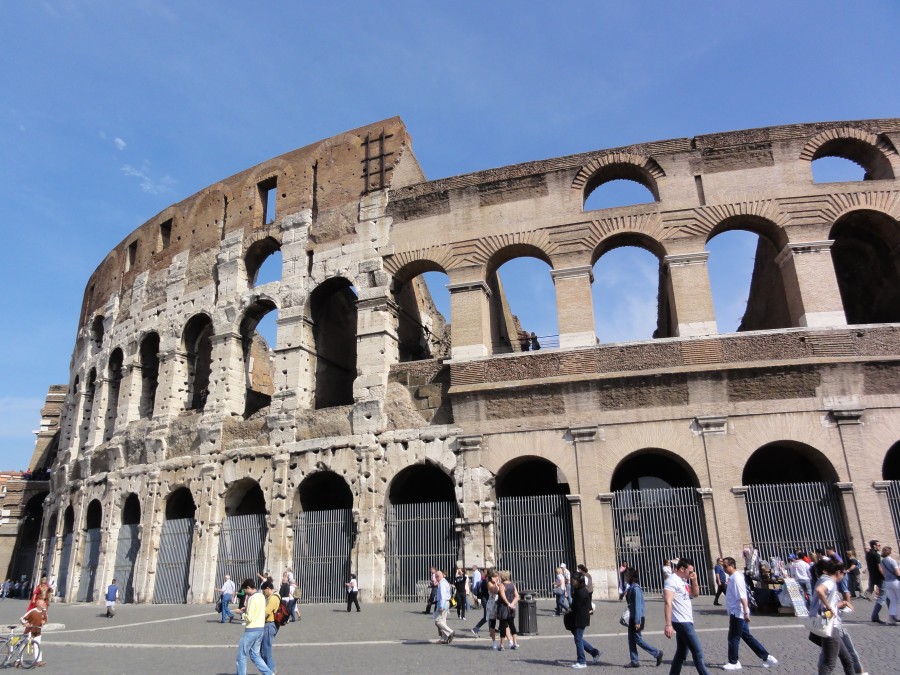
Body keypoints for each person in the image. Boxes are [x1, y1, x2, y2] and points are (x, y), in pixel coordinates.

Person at [720, 557, 777, 670]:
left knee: (733, 638)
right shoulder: (733, 578)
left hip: (738, 612)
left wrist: (746, 611)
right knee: (746, 636)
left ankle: (734, 661)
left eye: (725, 566)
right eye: (723, 566)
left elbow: (742, 596)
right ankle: (767, 657)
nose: (724, 568)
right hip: (736, 611)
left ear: (732, 565)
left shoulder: (736, 578)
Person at [663, 558, 709, 675]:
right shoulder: (672, 580)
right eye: (690, 571)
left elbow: (695, 594)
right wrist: (668, 624)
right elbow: (668, 602)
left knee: (681, 653)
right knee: (698, 653)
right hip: (681, 622)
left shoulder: (683, 580)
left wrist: (694, 581)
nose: (692, 574)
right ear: (682, 569)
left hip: (687, 621)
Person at [811, 559, 855, 675]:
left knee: (847, 659)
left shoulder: (824, 579)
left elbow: (830, 602)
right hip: (830, 627)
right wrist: (828, 606)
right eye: (844, 573)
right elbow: (819, 590)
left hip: (830, 624)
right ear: (838, 572)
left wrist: (843, 603)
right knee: (829, 664)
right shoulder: (830, 582)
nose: (844, 575)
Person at [234, 578, 272, 675]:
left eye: (245, 590)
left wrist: (241, 612)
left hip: (251, 630)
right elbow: (258, 609)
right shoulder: (261, 596)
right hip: (260, 629)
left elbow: (249, 618)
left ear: (248, 587)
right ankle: (269, 673)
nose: (245, 593)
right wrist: (246, 608)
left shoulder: (251, 598)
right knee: (255, 655)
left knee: (241, 655)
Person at [567, 572, 600, 669]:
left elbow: (576, 606)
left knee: (578, 639)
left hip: (580, 618)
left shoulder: (581, 592)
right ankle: (594, 652)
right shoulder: (579, 590)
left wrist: (570, 609)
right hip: (579, 618)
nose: (573, 580)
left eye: (574, 579)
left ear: (579, 581)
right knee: (579, 639)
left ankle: (582, 661)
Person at [20, 597, 47, 668]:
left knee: (37, 646)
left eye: (44, 603)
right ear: (37, 604)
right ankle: (18, 660)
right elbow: (22, 618)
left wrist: (44, 622)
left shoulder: (44, 611)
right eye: (41, 603)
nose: (43, 604)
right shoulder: (32, 611)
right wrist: (25, 623)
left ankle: (39, 661)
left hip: (37, 632)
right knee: (24, 646)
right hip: (29, 631)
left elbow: (45, 619)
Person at [497, 570, 520, 650]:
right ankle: (515, 643)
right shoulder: (512, 585)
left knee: (503, 626)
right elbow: (517, 596)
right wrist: (512, 604)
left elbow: (503, 597)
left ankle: (502, 645)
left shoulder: (501, 585)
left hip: (503, 608)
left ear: (502, 577)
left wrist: (508, 604)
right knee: (512, 625)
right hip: (511, 609)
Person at [259, 580, 279, 673]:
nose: (264, 594)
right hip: (270, 625)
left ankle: (270, 671)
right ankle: (270, 669)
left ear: (268, 589)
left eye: (264, 591)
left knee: (266, 651)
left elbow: (266, 613)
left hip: (269, 625)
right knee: (264, 651)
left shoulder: (273, 598)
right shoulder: (275, 596)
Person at [432, 569, 454, 644]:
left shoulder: (442, 584)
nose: (435, 579)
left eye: (436, 577)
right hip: (445, 602)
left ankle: (450, 632)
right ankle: (444, 639)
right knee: (443, 621)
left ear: (438, 577)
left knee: (438, 621)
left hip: (443, 603)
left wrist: (441, 606)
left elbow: (443, 596)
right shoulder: (445, 582)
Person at [879, 545, 899, 625]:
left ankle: (891, 619)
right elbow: (897, 573)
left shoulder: (882, 561)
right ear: (890, 552)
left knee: (893, 601)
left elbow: (883, 572)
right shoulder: (892, 561)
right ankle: (898, 617)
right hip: (895, 581)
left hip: (887, 582)